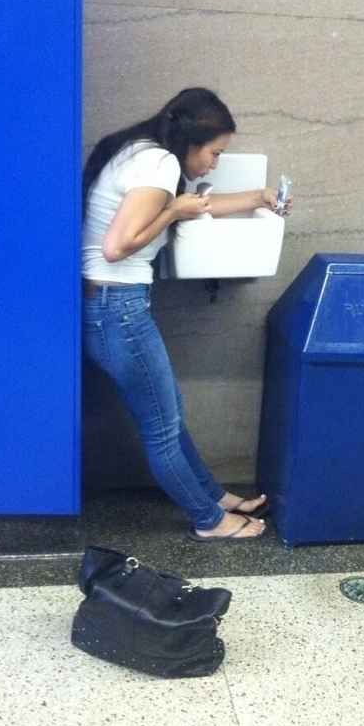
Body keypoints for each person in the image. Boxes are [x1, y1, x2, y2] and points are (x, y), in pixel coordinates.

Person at [81, 87, 289, 542]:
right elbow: (117, 246)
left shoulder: (140, 152)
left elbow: (199, 206)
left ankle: (213, 497)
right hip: (118, 309)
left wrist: (259, 197)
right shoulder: (159, 164)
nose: (214, 164)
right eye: (215, 153)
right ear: (191, 142)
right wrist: (173, 210)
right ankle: (208, 520)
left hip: (111, 307)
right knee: (162, 428)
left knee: (168, 413)